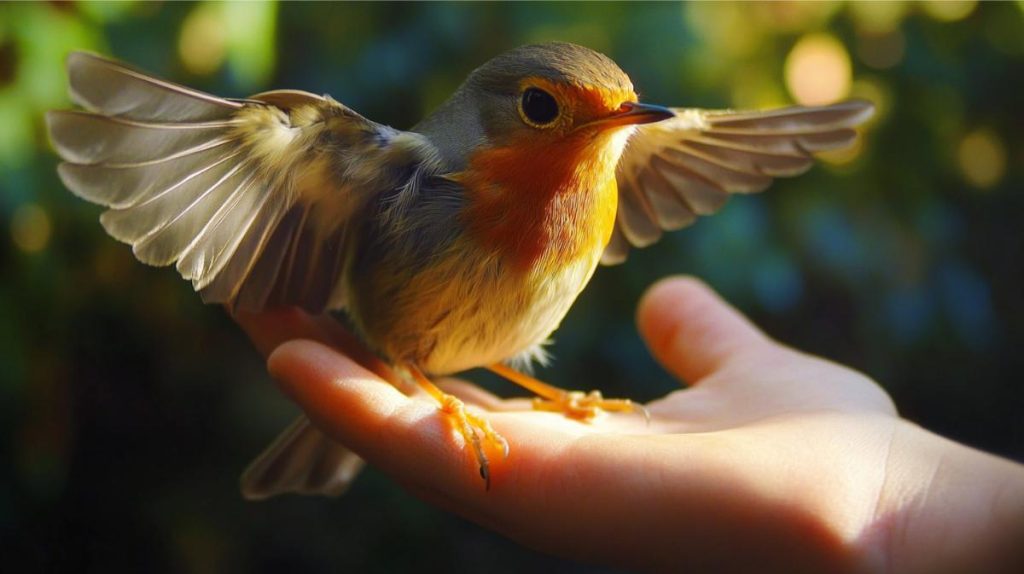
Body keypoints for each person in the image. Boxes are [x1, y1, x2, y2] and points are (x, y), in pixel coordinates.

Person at [236, 276, 1024, 573]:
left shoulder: (598, 176)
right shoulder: (445, 174)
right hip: (399, 341)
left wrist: (895, 501)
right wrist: (901, 506)